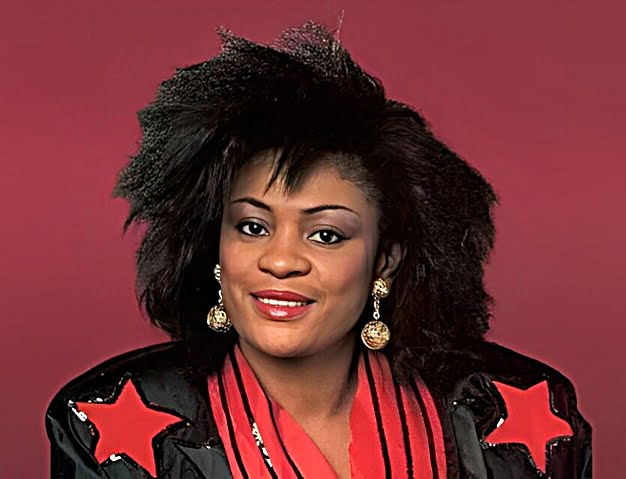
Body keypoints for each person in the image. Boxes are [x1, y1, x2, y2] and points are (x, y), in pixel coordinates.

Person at [46, 21, 592, 478]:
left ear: (385, 259)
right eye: (252, 227)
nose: (280, 261)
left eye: (326, 234)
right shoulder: (103, 425)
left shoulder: (516, 413)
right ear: (214, 245)